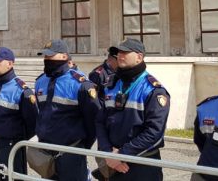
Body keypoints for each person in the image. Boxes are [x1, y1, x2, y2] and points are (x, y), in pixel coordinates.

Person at [95, 38, 169, 181]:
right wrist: (107, 153)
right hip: (112, 163)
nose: (120, 56)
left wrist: (122, 154)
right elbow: (100, 121)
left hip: (142, 165)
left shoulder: (153, 90)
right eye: (118, 52)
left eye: (125, 52)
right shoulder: (111, 85)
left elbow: (154, 132)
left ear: (139, 57)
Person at [34, 39, 101, 181]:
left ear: (64, 57)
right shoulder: (40, 81)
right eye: (45, 56)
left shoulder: (80, 85)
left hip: (71, 153)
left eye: (50, 56)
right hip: (46, 153)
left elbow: (94, 119)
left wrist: (81, 146)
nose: (47, 60)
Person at [0, 47, 37, 181]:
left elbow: (33, 122)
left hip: (11, 147)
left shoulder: (22, 90)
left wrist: (16, 138)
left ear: (10, 64)